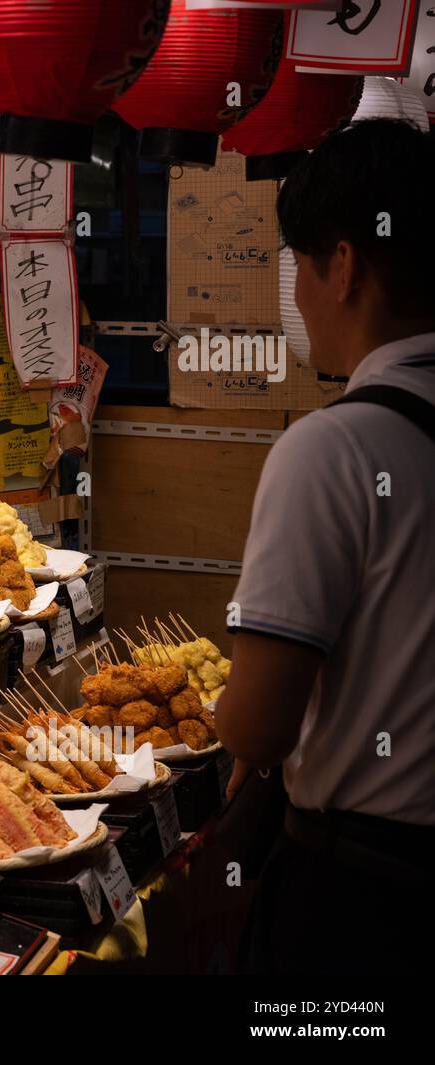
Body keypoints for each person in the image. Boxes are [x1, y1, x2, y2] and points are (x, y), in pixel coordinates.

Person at [215, 119, 435, 973]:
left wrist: (231, 721)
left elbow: (259, 725)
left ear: (342, 267)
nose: (297, 294)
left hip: (365, 905)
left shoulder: (333, 451)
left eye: (297, 266)